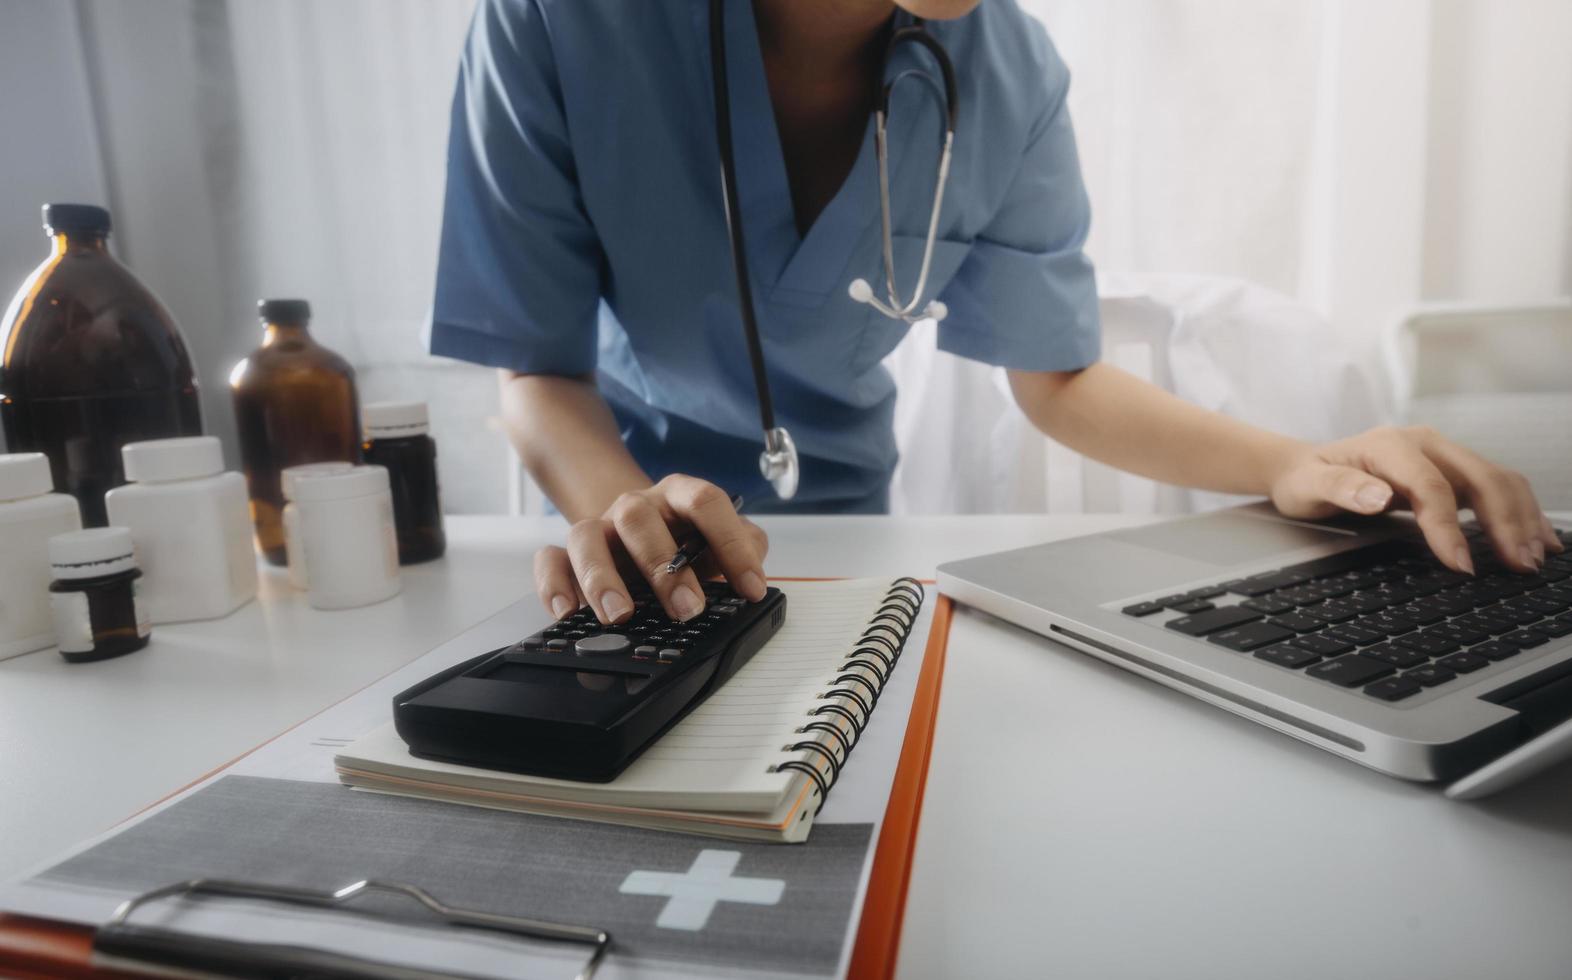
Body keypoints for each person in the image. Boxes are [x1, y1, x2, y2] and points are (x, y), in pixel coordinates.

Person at [428, 0, 1560, 626]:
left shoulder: (1010, 69)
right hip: (618, 531)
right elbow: (536, 371)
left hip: (848, 533)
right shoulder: (557, 23)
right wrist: (634, 517)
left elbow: (1057, 376)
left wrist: (1302, 460)